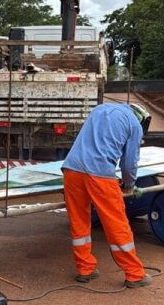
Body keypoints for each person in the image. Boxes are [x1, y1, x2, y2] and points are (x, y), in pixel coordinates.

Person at [61, 103, 153, 288]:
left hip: (72, 170)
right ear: (142, 119)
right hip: (100, 175)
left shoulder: (99, 109)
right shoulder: (134, 125)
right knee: (116, 223)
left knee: (79, 221)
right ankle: (134, 274)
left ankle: (85, 269)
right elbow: (129, 163)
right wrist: (129, 185)